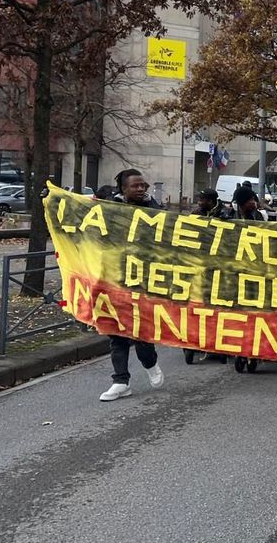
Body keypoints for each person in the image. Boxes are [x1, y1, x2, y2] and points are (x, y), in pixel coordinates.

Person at [100, 169, 165, 402]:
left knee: (141, 331)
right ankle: (120, 381)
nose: (140, 189)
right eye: (135, 186)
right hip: (115, 278)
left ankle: (150, 363)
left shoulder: (155, 210)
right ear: (123, 189)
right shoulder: (108, 209)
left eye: (143, 185)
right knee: (115, 332)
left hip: (143, 280)